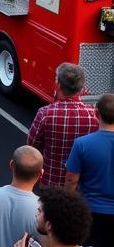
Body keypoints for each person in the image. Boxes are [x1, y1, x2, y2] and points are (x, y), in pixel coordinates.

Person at [65, 90, 114, 247]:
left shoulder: (82, 144)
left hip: (91, 212)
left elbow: (71, 181)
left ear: (96, 113)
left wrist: (68, 208)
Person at [27, 62, 97, 190]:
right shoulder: (94, 115)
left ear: (58, 85)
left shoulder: (45, 113)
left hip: (50, 184)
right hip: (81, 187)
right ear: (81, 89)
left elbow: (32, 147)